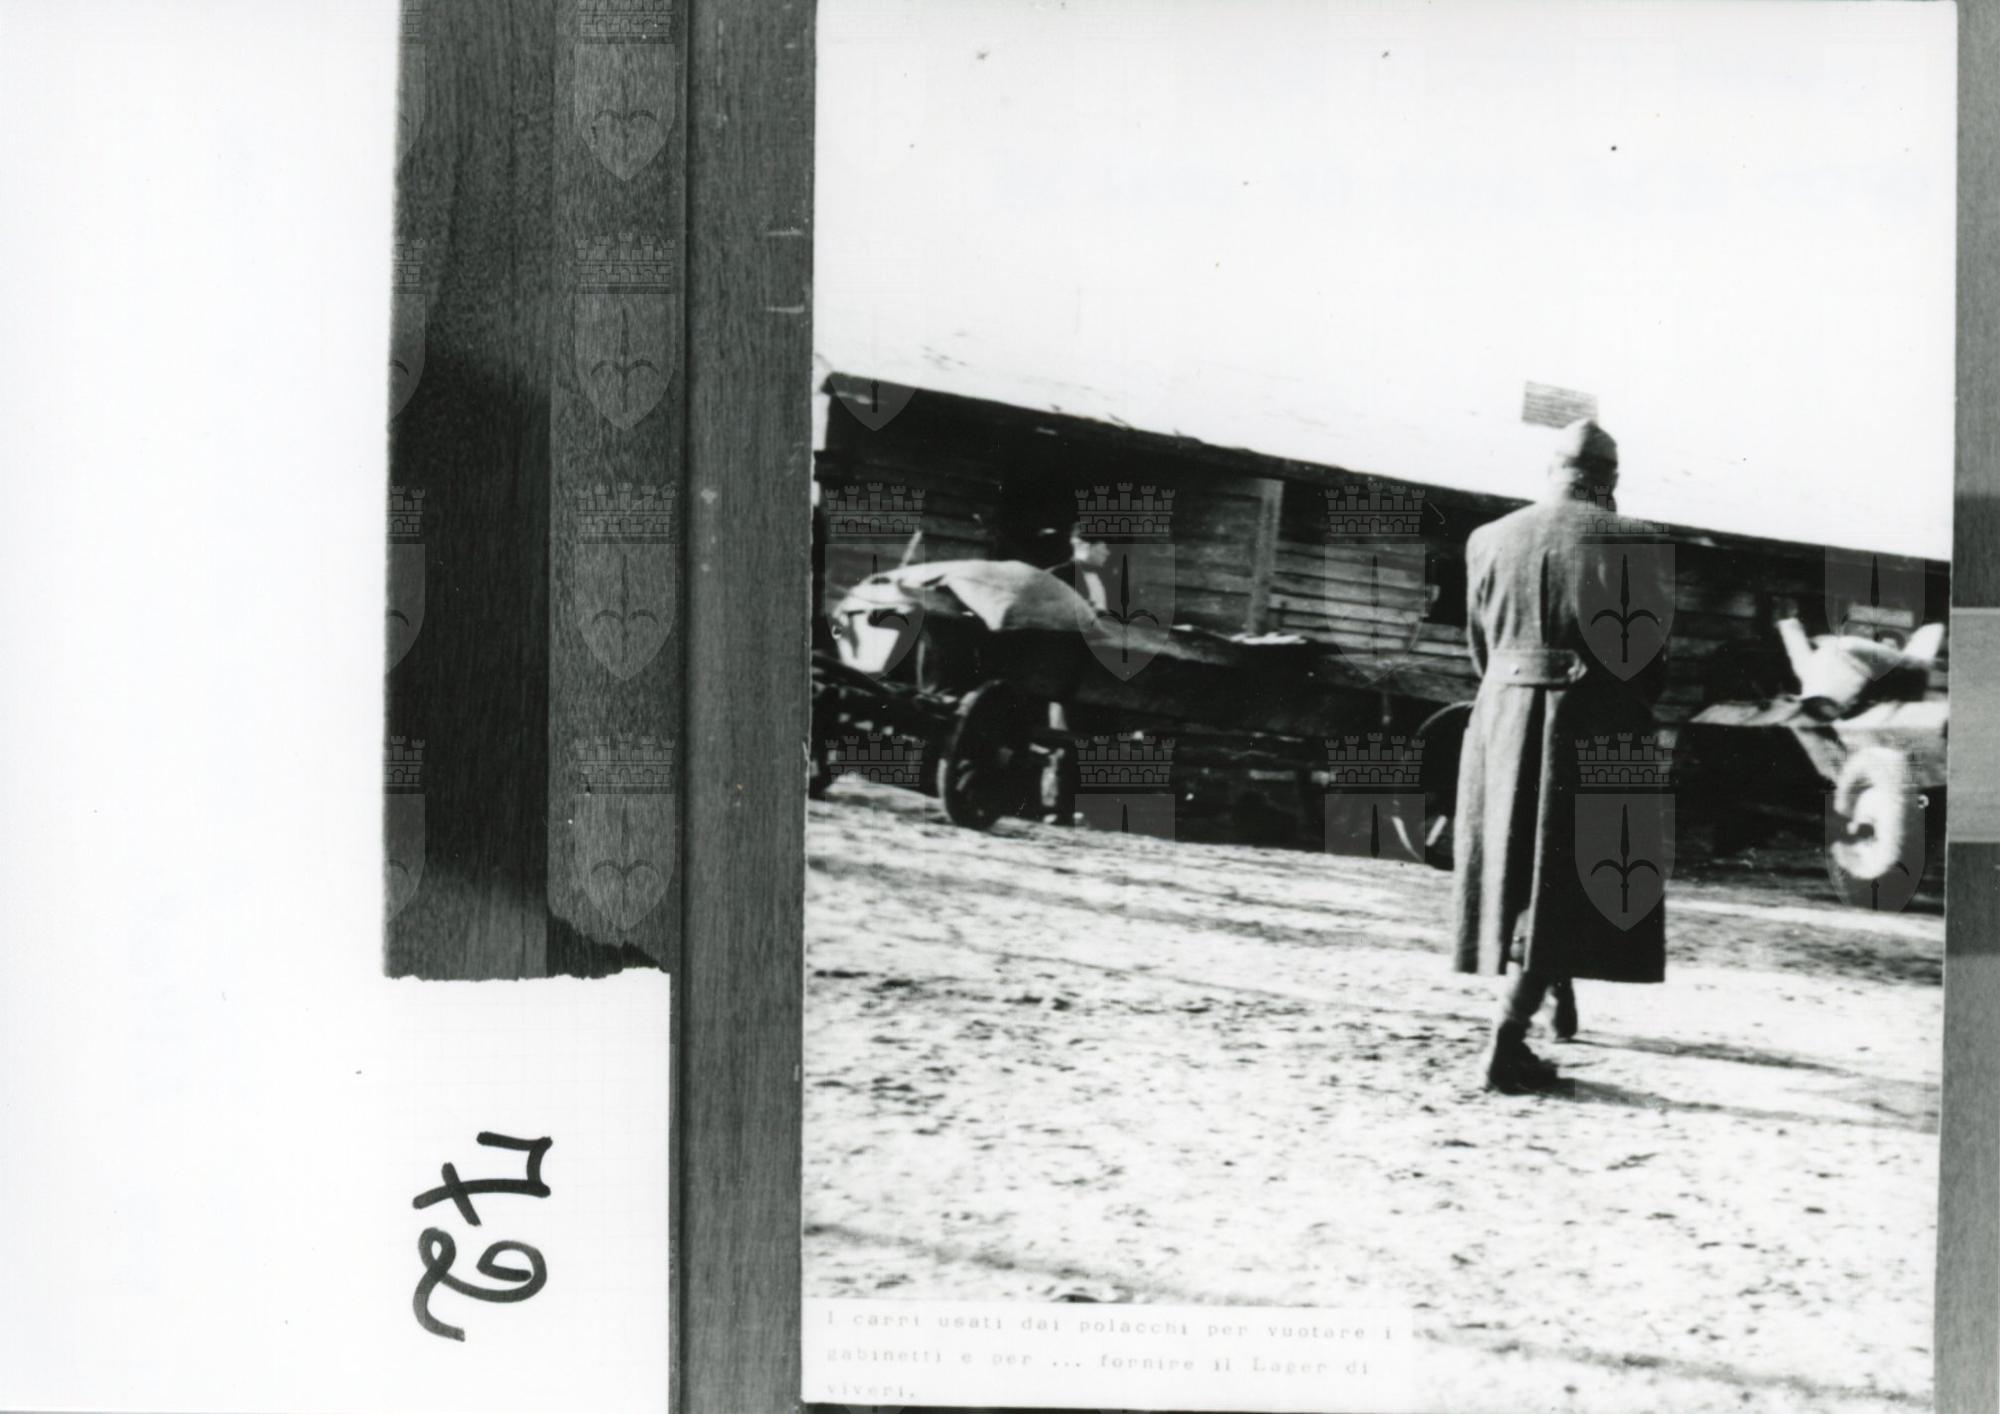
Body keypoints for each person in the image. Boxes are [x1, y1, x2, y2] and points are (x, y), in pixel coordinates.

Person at [1452, 418, 1669, 1092]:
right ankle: (1505, 1043)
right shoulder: (1639, 541)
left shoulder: (1488, 537)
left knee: (1523, 868)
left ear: (1552, 471)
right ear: (1611, 480)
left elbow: (1480, 648)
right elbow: (1649, 663)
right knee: (1573, 870)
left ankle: (1555, 999)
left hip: (1502, 722)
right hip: (1594, 722)